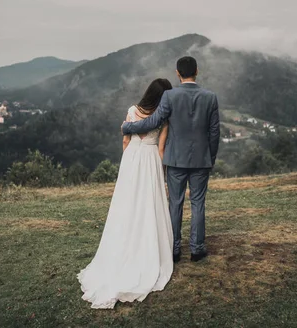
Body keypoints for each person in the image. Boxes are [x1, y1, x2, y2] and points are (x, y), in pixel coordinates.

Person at [78, 78, 174, 309]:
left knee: (128, 206)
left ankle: (123, 246)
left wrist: (128, 163)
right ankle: (147, 248)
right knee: (148, 204)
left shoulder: (132, 110)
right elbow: (160, 149)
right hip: (150, 159)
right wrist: (164, 177)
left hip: (131, 159)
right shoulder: (163, 120)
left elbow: (125, 140)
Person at [121, 56, 220, 263]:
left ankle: (174, 250)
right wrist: (209, 157)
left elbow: (154, 121)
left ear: (177, 73)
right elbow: (214, 133)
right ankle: (197, 249)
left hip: (175, 160)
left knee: (175, 204)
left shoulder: (169, 96)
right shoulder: (210, 97)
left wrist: (128, 127)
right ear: (197, 71)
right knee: (198, 203)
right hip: (201, 160)